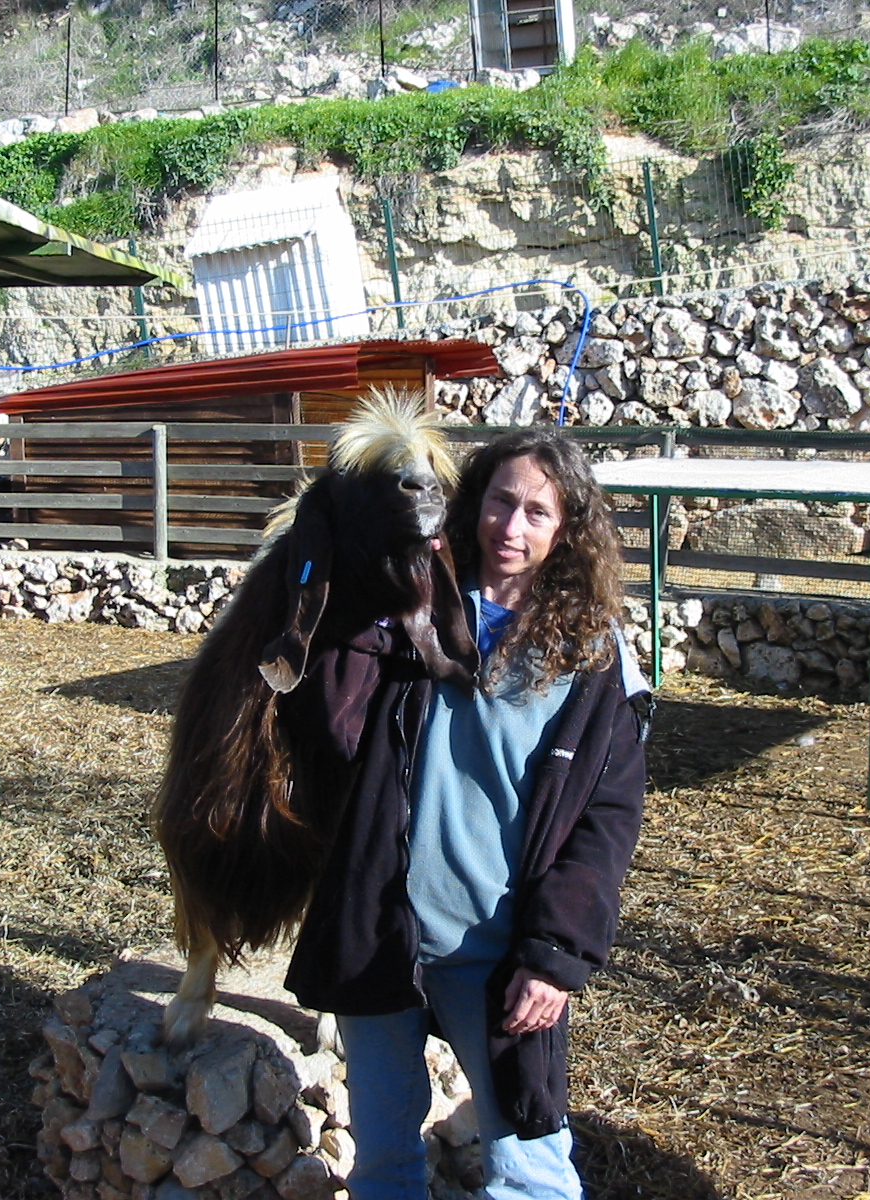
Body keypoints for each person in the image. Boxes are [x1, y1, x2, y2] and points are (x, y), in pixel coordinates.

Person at [284, 427, 651, 1200]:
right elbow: (323, 723)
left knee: (530, 1172)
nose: (511, 529)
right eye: (500, 502)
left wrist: (557, 952)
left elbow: (607, 819)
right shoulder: (402, 612)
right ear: (472, 502)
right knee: (383, 1162)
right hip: (384, 930)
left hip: (501, 951)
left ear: (568, 530)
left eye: (537, 514)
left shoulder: (593, 654)